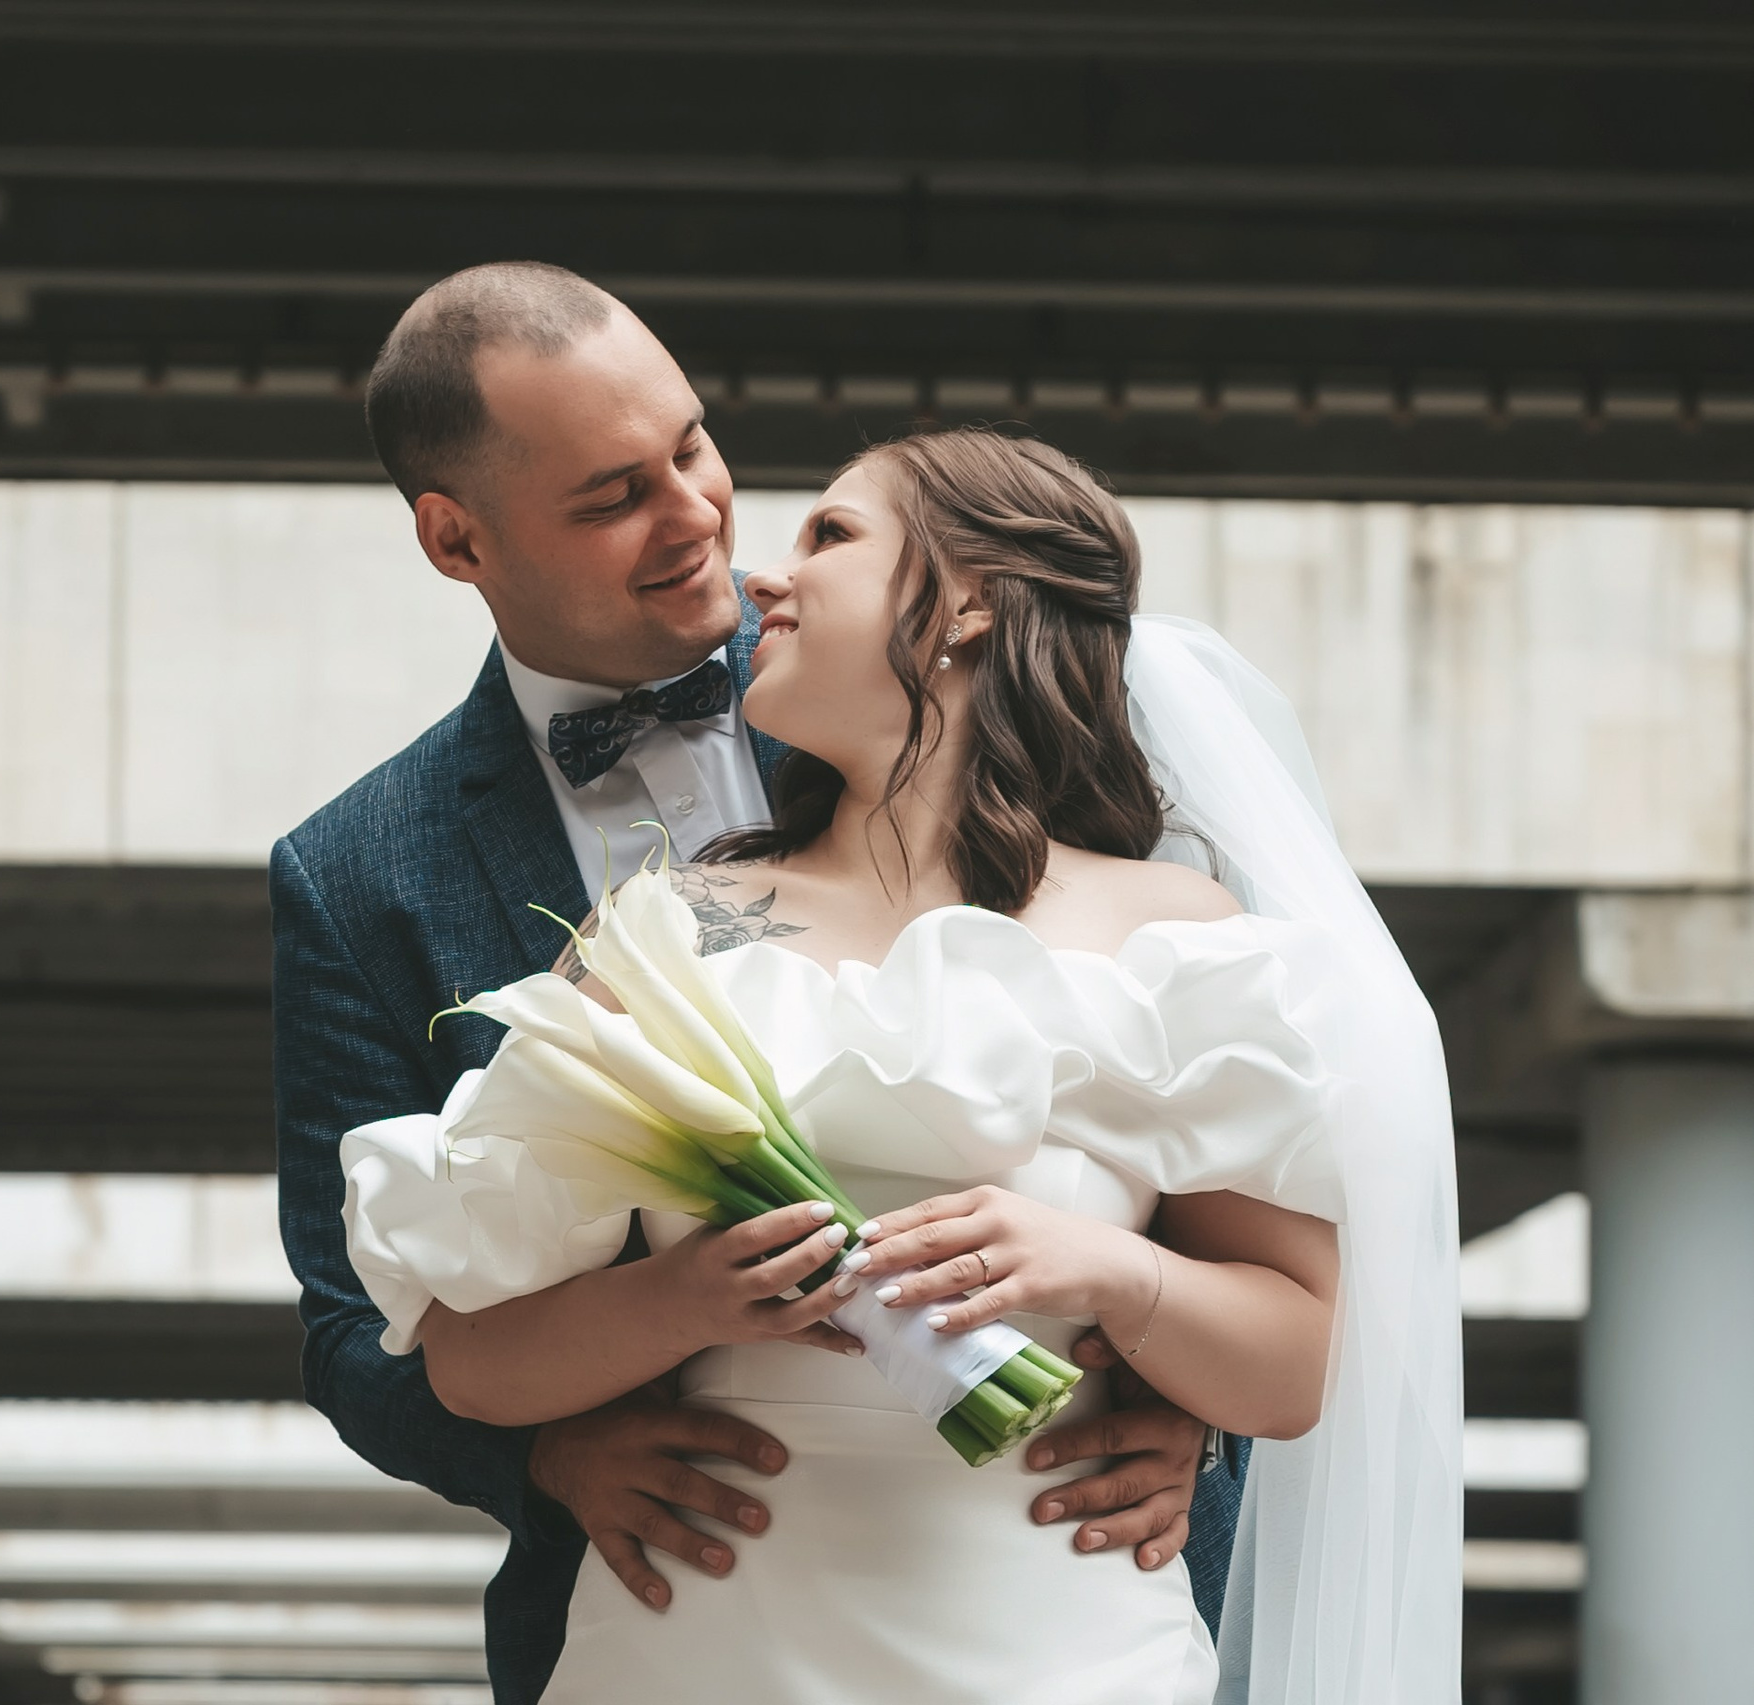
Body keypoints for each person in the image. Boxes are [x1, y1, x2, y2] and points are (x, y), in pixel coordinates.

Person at [338, 426, 1462, 1702]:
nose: (764, 579)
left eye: (829, 534)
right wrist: (686, 1301)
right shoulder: (662, 930)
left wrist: (1110, 1271)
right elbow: (468, 1360)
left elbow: (1296, 1365)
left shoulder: (1178, 938)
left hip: (1059, 1644)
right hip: (702, 1640)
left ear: (969, 602)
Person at [272, 264, 1250, 1704]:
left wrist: (1179, 1398)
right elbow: (350, 1317)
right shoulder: (354, 873)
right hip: (685, 1601)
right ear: (453, 536)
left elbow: (1191, 1103)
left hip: (1061, 1571)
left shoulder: (919, 675)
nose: (699, 522)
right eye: (612, 498)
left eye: (692, 447)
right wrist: (545, 1450)